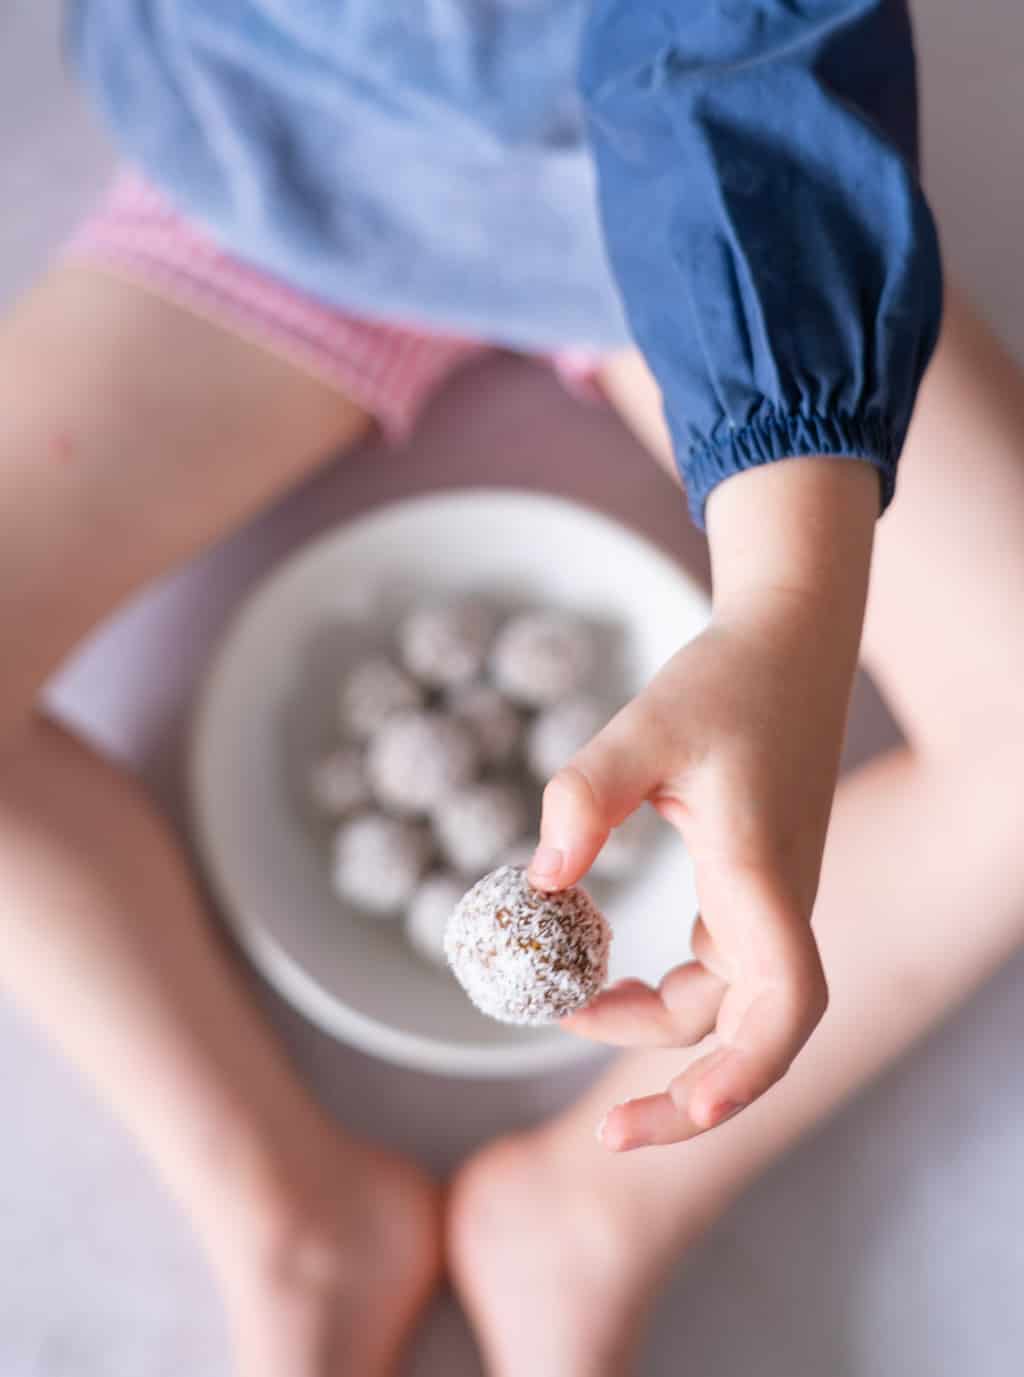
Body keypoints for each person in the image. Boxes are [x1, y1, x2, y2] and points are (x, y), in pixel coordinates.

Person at [3, 2, 1023, 1373]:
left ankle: (596, 1204)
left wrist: (786, 600)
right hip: (269, 150)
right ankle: (296, 1216)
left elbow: (744, 37)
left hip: (695, 216)